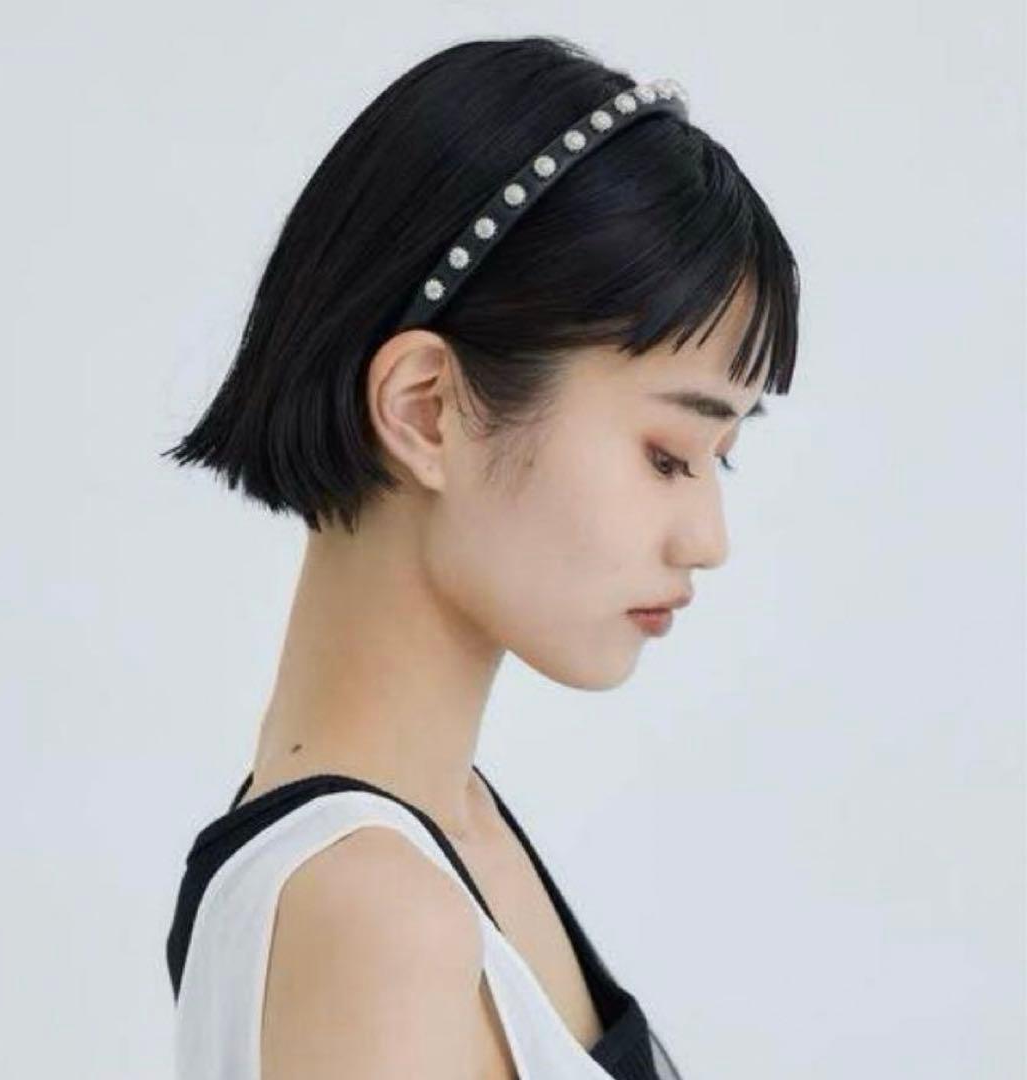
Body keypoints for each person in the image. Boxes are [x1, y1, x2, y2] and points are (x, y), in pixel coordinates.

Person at [162, 33, 800, 1080]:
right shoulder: (373, 911)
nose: (709, 539)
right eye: (669, 454)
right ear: (427, 409)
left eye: (718, 460)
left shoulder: (445, 839)